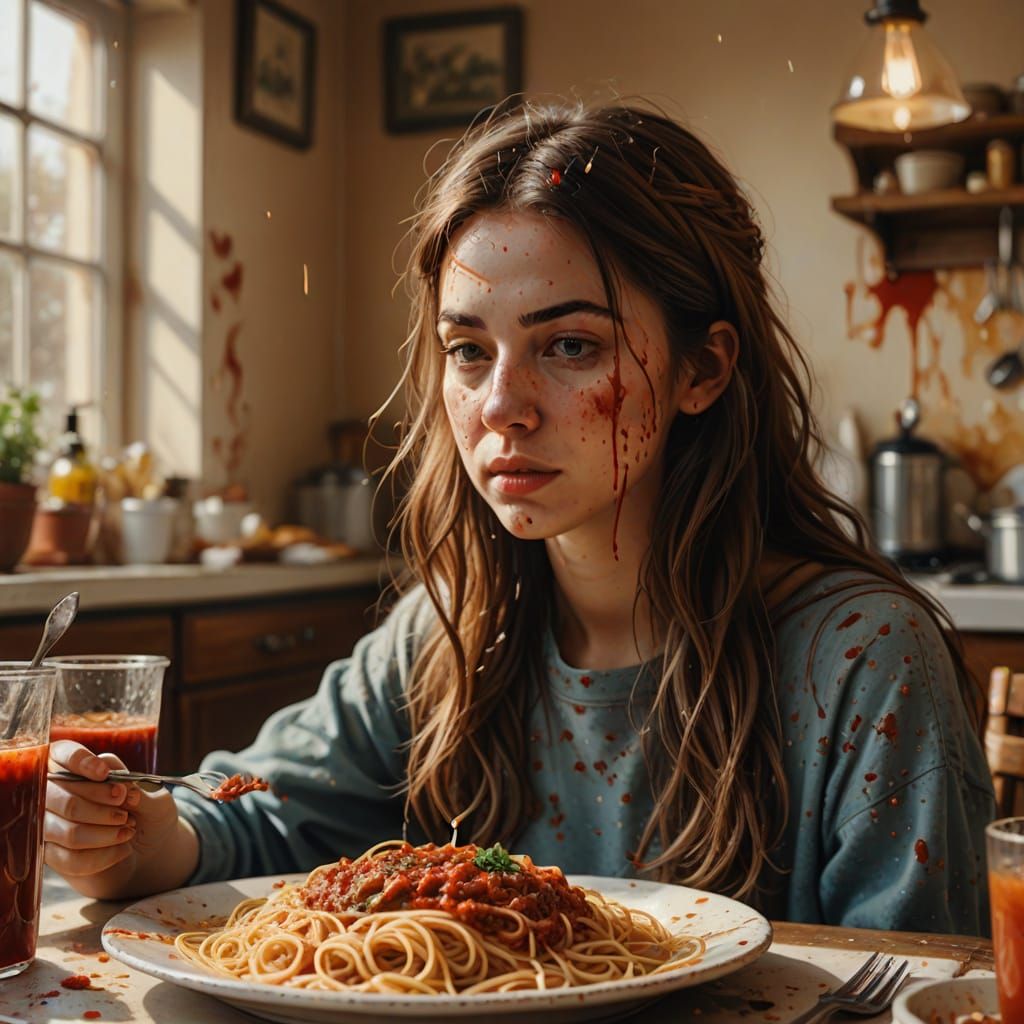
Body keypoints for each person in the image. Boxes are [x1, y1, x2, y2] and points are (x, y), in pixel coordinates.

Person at [45, 99, 994, 933]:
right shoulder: (455, 629)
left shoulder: (864, 663)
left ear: (703, 369)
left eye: (570, 344)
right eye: (468, 350)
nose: (502, 404)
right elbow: (253, 813)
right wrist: (133, 838)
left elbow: (914, 984)